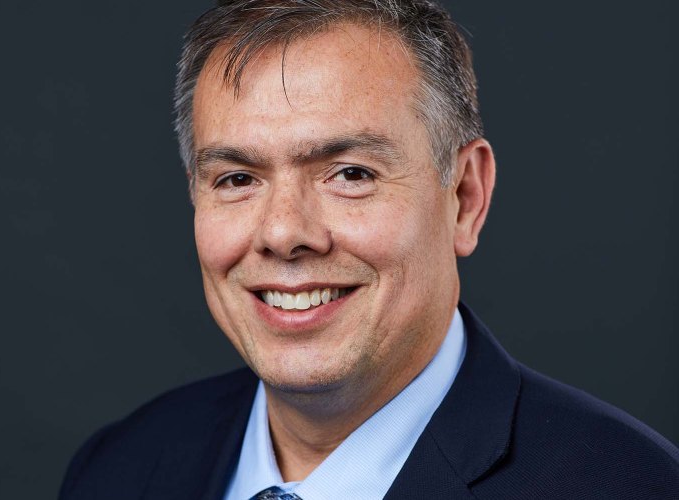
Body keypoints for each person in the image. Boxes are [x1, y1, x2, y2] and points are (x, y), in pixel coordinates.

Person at [59, 1, 679, 498]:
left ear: (465, 197)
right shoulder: (118, 470)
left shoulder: (631, 487)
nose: (283, 233)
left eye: (351, 173)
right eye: (237, 178)